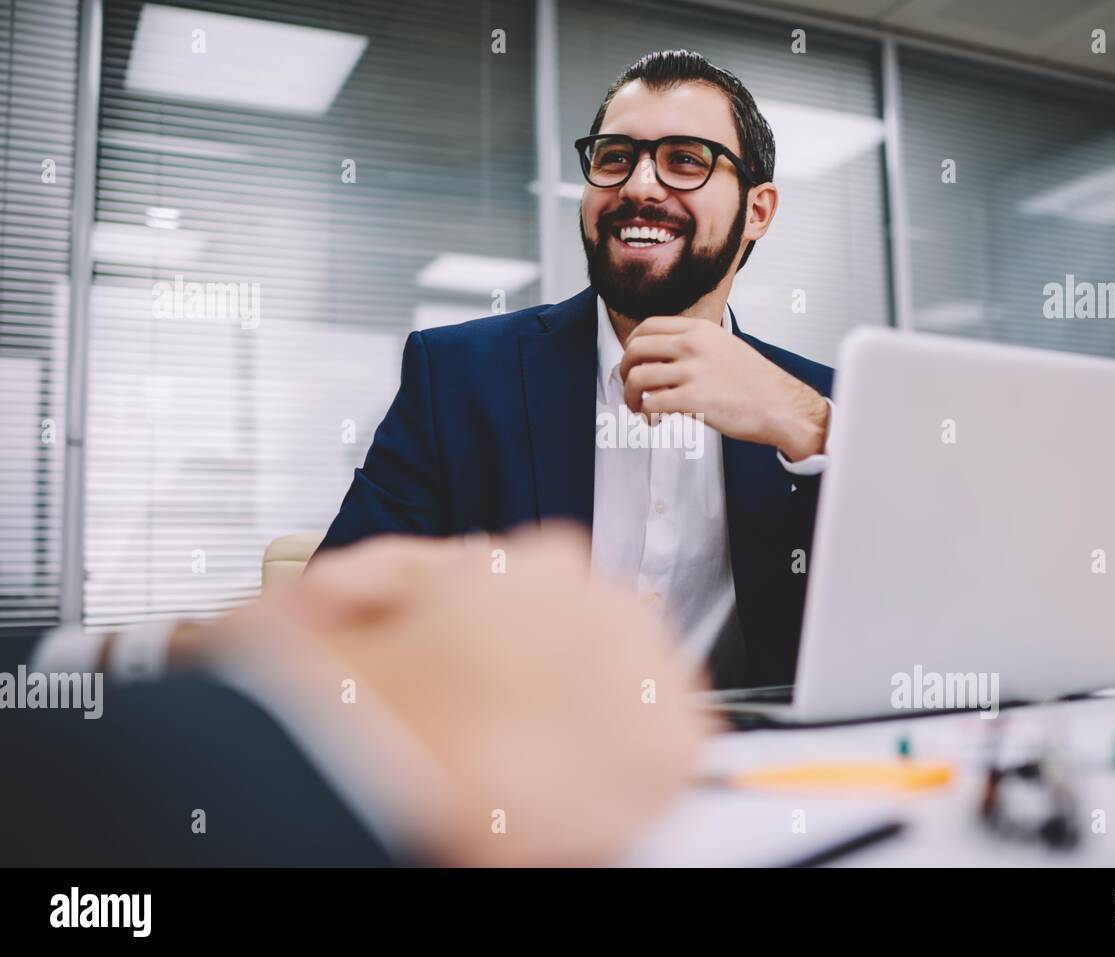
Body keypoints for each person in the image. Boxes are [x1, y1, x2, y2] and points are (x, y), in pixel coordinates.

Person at [321, 50, 835, 689]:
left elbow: (915, 614)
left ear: (757, 211)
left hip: (764, 776)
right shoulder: (455, 376)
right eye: (614, 157)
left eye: (685, 160)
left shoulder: (819, 406)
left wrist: (812, 429)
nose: (640, 187)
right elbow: (333, 621)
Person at [1, 529, 709, 866]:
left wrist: (196, 649)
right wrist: (365, 722)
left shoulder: (807, 398)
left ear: (760, 222)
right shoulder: (457, 365)